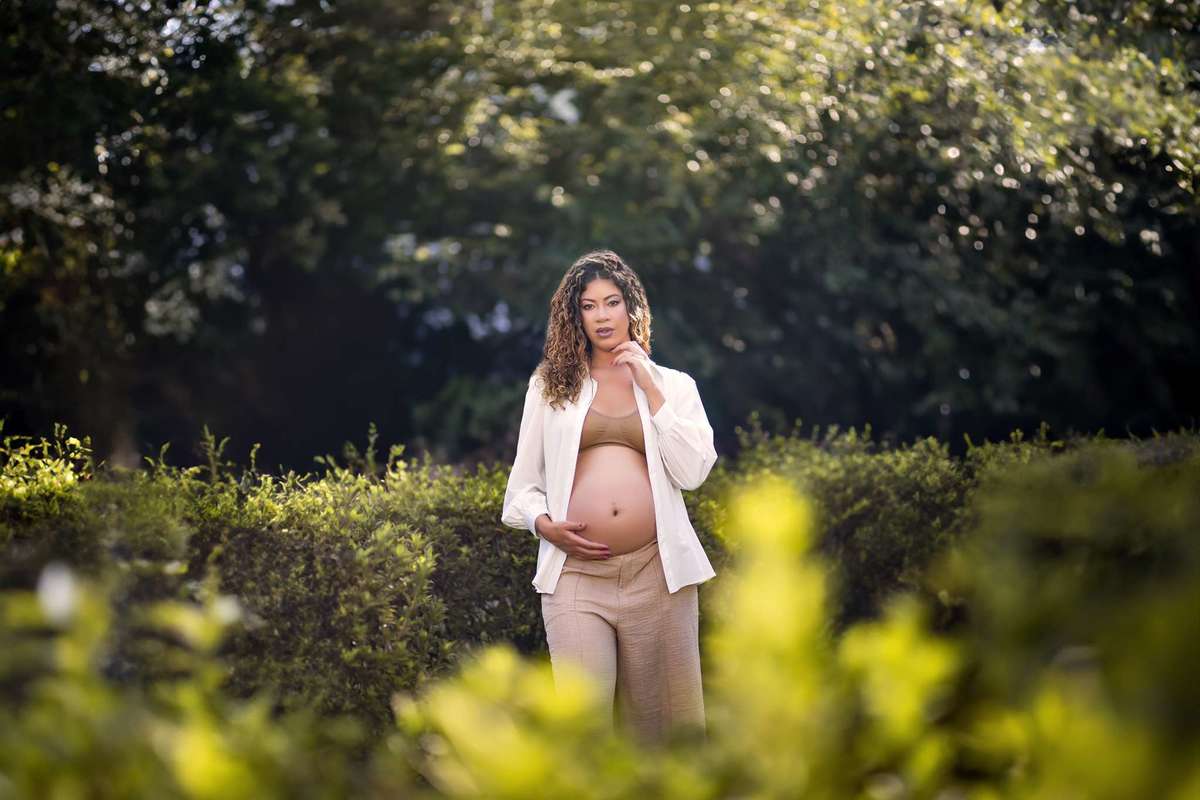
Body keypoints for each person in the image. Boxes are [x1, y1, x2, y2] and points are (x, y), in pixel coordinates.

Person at [500, 249, 719, 745]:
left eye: (612, 302)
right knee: (583, 729)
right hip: (576, 577)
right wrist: (543, 524)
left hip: (658, 575)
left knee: (664, 735)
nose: (601, 316)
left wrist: (649, 384)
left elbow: (692, 471)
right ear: (574, 316)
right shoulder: (551, 387)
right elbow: (522, 488)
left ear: (631, 308)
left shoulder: (675, 387)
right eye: (589, 306)